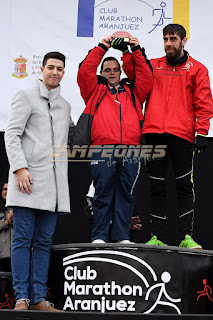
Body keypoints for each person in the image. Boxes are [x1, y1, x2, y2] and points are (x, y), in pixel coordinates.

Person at [122, 24, 213, 248]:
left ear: (184, 41)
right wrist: (128, 51)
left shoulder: (197, 69)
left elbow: (204, 102)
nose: (168, 43)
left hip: (182, 136)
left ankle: (186, 237)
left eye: (173, 39)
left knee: (184, 187)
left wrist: (201, 130)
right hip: (153, 134)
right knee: (157, 188)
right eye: (165, 39)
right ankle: (157, 237)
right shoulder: (154, 66)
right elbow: (134, 73)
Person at [5, 51, 71, 310]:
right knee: (22, 239)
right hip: (27, 181)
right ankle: (21, 297)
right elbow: (11, 134)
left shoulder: (65, 106)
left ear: (64, 72)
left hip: (53, 187)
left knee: (44, 243)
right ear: (42, 69)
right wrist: (20, 168)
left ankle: (38, 299)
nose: (55, 72)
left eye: (60, 69)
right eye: (51, 67)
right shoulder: (25, 96)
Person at [76, 35, 153, 244]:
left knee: (125, 194)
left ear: (121, 73)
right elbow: (84, 71)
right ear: (101, 73)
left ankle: (121, 236)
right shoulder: (94, 91)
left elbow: (146, 77)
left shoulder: (133, 91)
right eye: (107, 70)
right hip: (103, 149)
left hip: (131, 149)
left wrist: (134, 50)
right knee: (102, 193)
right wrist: (103, 46)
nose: (111, 72)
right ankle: (99, 236)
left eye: (115, 69)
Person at [0, 181, 13, 272]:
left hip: (15, 253)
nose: (7, 192)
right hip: (2, 253)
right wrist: (6, 221)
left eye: (9, 189)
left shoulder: (16, 208)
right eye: (5, 189)